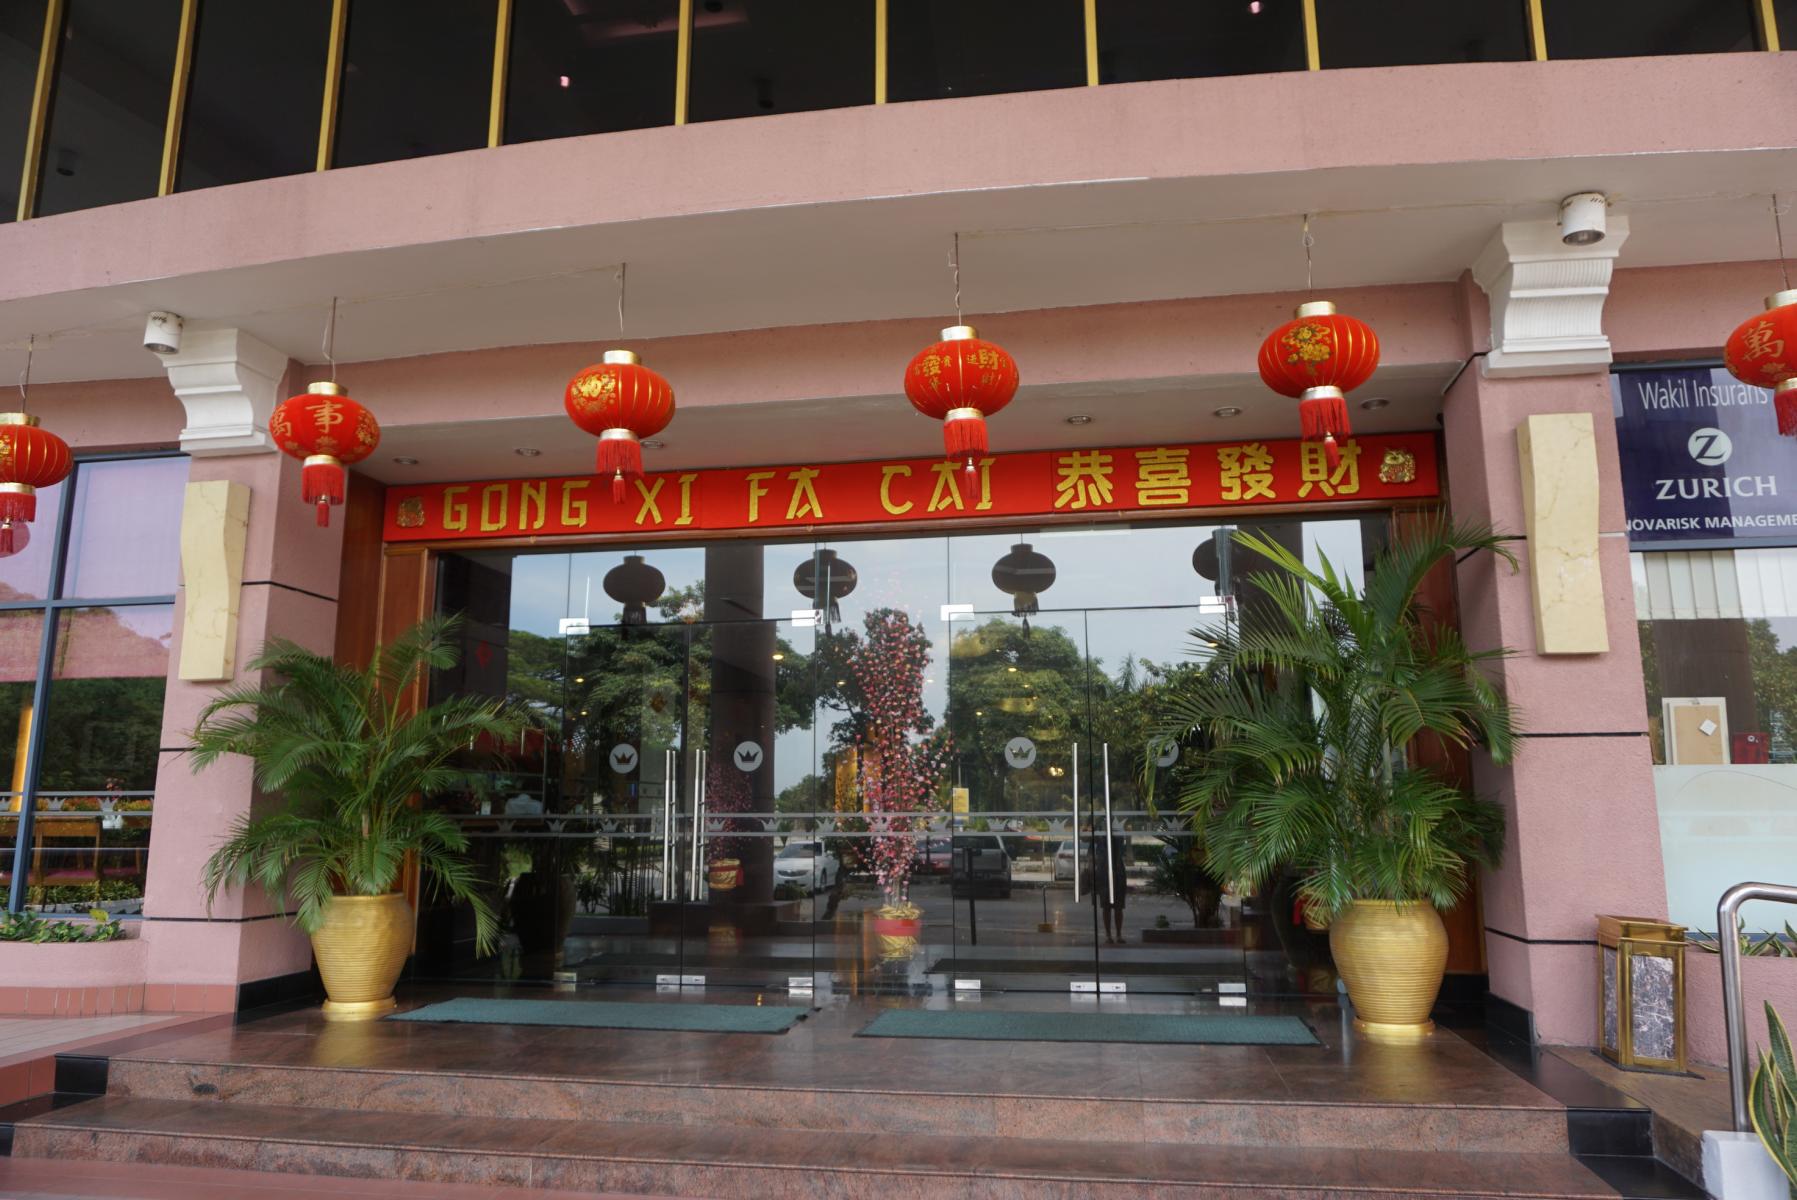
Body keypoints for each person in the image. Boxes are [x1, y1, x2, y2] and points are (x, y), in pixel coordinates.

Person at [1084, 827, 1129, 944]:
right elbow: (1084, 839)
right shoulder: (1100, 837)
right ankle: (1109, 934)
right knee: (1107, 906)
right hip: (1104, 873)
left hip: (1116, 873)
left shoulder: (1117, 836)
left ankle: (1117, 934)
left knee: (1117, 907)